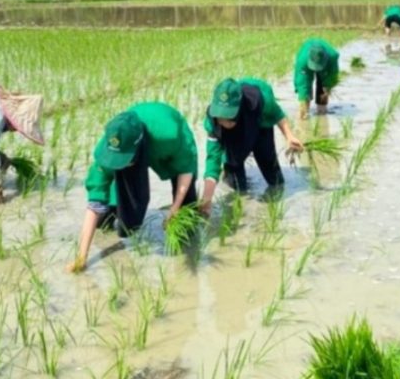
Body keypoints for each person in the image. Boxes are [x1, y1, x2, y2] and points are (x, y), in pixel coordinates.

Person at [66, 102, 198, 273]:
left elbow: (186, 168)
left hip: (167, 136)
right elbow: (94, 204)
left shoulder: (169, 135)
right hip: (130, 141)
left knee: (186, 215)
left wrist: (175, 207)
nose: (118, 164)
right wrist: (81, 257)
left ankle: (189, 247)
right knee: (104, 218)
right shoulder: (108, 148)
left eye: (123, 160)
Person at [199, 78, 303, 217]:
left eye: (229, 118)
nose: (224, 123)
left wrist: (289, 136)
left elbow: (277, 114)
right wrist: (207, 199)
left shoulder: (258, 101)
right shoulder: (212, 122)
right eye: (220, 117)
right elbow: (213, 160)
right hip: (234, 137)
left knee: (274, 178)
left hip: (259, 125)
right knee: (238, 187)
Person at [294, 38, 340, 120]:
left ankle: (322, 112)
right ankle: (305, 110)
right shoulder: (302, 60)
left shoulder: (332, 56)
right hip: (306, 65)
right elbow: (302, 83)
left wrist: (328, 86)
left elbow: (333, 74)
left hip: (325, 67)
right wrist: (303, 101)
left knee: (323, 90)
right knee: (304, 97)